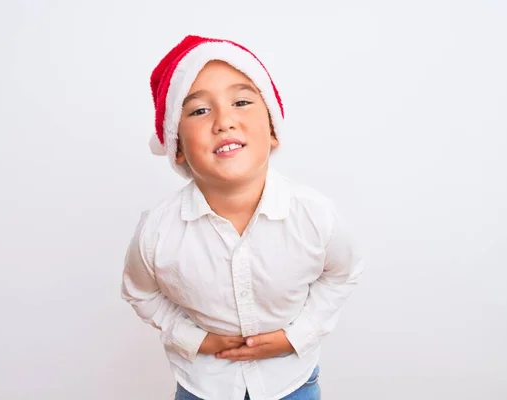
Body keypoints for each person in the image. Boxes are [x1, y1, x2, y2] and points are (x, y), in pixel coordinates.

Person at [121, 35, 364, 400]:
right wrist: (195, 339)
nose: (224, 121)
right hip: (202, 386)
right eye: (199, 110)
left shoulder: (316, 215)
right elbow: (139, 292)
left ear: (272, 131)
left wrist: (296, 336)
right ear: (177, 147)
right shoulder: (158, 231)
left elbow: (342, 275)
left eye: (242, 102)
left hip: (292, 381)